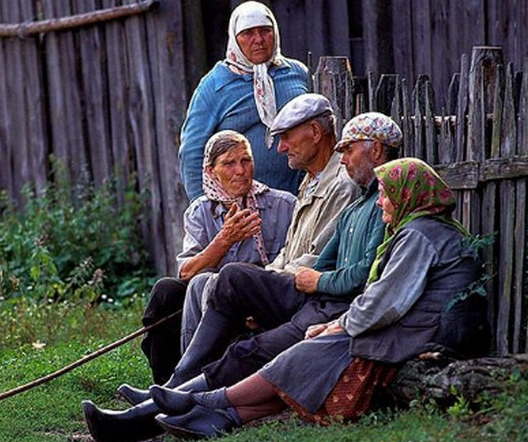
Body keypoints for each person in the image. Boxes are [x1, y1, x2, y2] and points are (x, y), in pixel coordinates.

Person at [82, 94, 362, 442]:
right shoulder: (303, 184)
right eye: (230, 163)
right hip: (272, 292)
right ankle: (170, 388)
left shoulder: (311, 193)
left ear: (315, 132)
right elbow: (280, 257)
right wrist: (229, 245)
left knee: (229, 281)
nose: (278, 148)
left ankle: (172, 390)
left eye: (287, 137)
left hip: (308, 295)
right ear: (211, 171)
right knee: (193, 286)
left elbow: (316, 262)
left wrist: (259, 285)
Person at [152, 158, 490, 439]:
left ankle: (211, 401)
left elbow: (385, 303)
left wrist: (336, 327)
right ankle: (223, 417)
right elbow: (381, 296)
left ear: (407, 196)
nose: (379, 201)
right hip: (421, 325)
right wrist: (336, 324)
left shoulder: (420, 233)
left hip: (432, 333)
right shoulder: (417, 229)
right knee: (317, 353)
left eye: (386, 194)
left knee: (316, 351)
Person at [139, 130, 296, 385]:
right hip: (207, 300)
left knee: (215, 283)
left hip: (260, 294)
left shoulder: (283, 205)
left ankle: (189, 381)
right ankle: (166, 383)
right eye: (229, 163)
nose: (241, 171)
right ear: (211, 171)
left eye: (246, 160)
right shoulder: (200, 211)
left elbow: (291, 264)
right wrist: (225, 239)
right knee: (166, 291)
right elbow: (187, 272)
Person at [180, 0, 310, 202]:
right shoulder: (214, 86)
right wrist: (206, 208)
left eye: (265, 31)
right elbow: (192, 153)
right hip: (236, 205)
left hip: (297, 199)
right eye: (248, 33)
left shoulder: (296, 73)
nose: (258, 39)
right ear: (234, 38)